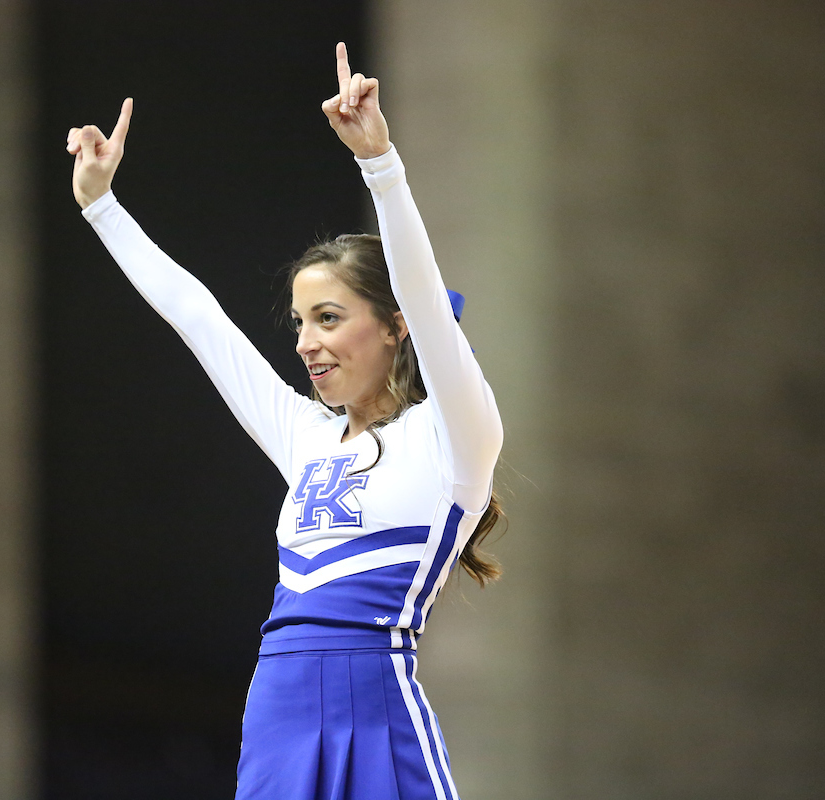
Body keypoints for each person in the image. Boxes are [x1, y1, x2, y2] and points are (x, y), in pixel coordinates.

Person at [66, 42, 504, 800]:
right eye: (300, 322)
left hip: (375, 710)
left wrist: (379, 164)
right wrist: (101, 206)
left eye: (328, 318)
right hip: (277, 714)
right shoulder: (305, 437)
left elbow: (426, 299)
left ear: (395, 326)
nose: (305, 342)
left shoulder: (453, 437)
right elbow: (199, 319)